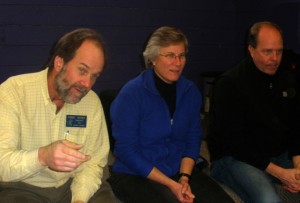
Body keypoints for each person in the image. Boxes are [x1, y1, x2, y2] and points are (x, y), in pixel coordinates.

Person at [107, 26, 234, 203]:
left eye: (181, 55)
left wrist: (184, 178)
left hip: (177, 170)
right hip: (135, 173)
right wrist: (170, 184)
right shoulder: (131, 95)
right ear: (152, 59)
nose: (178, 62)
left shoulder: (190, 91)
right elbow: (126, 151)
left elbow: (193, 137)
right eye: (170, 56)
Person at [0, 28, 115, 203]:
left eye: (94, 76)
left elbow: (94, 163)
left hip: (73, 183)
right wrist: (43, 156)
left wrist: (80, 199)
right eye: (82, 70)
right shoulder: (14, 92)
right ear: (59, 63)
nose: (87, 84)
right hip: (23, 186)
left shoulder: (91, 102)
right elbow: (2, 162)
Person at [207, 21, 300, 202]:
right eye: (267, 51)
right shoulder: (229, 84)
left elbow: (296, 124)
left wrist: (297, 164)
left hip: (277, 153)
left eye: (279, 51)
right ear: (251, 50)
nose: (274, 58)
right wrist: (280, 173)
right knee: (268, 199)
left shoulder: (287, 78)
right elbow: (235, 143)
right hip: (235, 157)